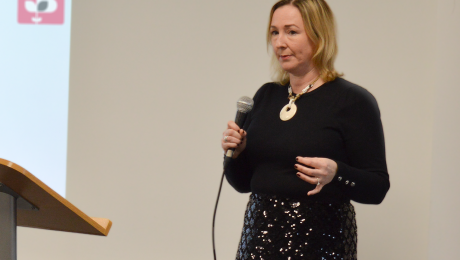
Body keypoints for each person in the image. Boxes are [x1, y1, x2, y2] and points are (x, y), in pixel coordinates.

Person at [221, 0, 390, 259]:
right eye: (274, 32)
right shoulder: (266, 96)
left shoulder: (352, 101)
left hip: (321, 246)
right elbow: (243, 183)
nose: (279, 42)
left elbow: (377, 188)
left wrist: (337, 173)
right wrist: (238, 153)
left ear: (319, 36)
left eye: (291, 32)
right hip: (258, 246)